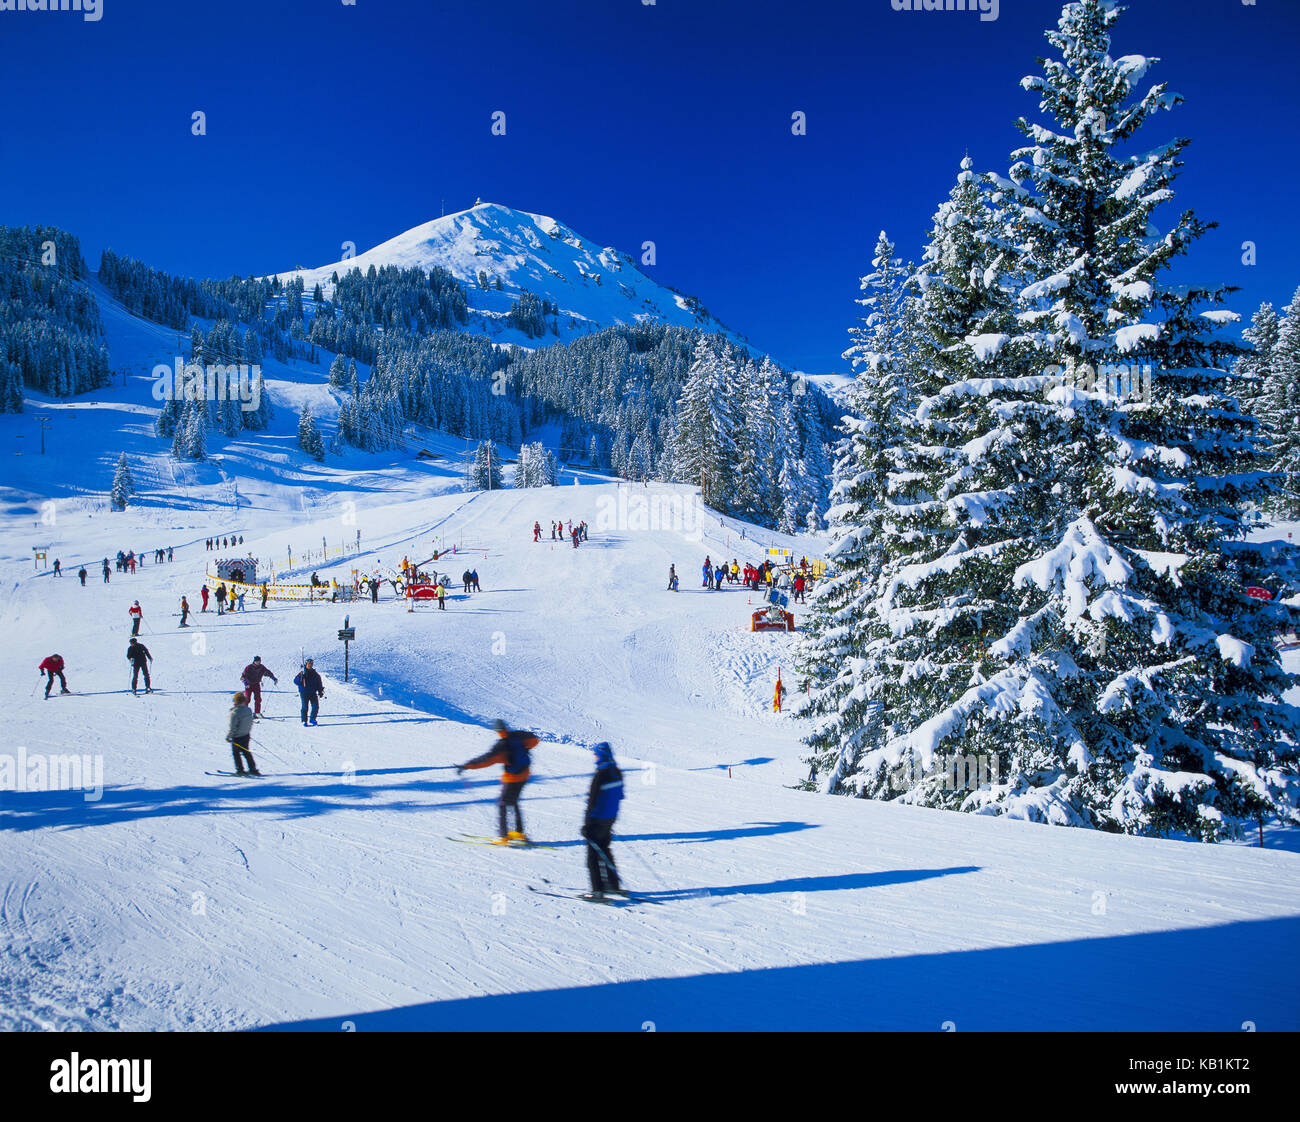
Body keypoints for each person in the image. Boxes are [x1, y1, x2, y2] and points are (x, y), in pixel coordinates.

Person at [457, 719, 539, 844]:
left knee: (503, 803)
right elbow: (535, 740)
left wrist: (467, 766)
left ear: (497, 731)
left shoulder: (502, 745)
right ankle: (519, 833)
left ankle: (503, 836)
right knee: (513, 802)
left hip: (512, 777)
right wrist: (525, 747)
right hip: (525, 774)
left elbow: (486, 760)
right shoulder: (518, 736)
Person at [582, 742, 625, 899]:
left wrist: (587, 825)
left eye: (595, 754)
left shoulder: (600, 775)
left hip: (597, 820)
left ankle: (597, 890)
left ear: (601, 755)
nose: (594, 757)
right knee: (605, 850)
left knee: (592, 856)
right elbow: (620, 796)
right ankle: (613, 885)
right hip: (610, 819)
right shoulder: (617, 772)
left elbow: (593, 802)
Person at [226, 692, 260, 776]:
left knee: (236, 753)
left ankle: (240, 770)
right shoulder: (248, 710)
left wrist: (229, 736)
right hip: (246, 735)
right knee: (246, 752)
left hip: (237, 737)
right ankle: (253, 769)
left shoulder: (234, 712)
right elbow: (250, 722)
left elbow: (232, 727)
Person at [294, 659, 324, 726]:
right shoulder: (302, 673)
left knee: (315, 706)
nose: (310, 665)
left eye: (311, 664)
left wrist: (320, 691)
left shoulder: (315, 674)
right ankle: (304, 720)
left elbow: (319, 683)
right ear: (306, 664)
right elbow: (296, 681)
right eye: (309, 664)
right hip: (304, 692)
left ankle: (312, 719)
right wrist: (301, 678)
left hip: (313, 692)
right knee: (305, 707)